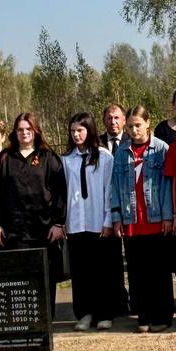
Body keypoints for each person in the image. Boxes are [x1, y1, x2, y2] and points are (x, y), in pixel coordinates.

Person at [0, 113, 67, 312]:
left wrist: (59, 223)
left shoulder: (48, 158)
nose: (24, 133)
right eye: (20, 129)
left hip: (44, 229)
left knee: (45, 275)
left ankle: (46, 318)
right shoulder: (4, 159)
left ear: (35, 131)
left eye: (28, 129)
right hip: (14, 230)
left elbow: (60, 193)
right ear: (15, 133)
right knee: (19, 277)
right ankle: (23, 319)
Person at [109, 105, 175, 333]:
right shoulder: (121, 152)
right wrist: (117, 216)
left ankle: (163, 316)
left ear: (148, 123)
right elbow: (115, 186)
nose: (134, 130)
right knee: (138, 272)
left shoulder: (161, 149)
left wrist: (168, 215)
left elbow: (168, 185)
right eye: (130, 126)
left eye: (138, 125)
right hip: (132, 221)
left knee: (158, 271)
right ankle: (144, 316)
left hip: (156, 219)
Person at [62, 112, 118, 331]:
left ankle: (106, 313)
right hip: (76, 223)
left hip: (98, 222)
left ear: (90, 130)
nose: (76, 135)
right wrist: (64, 221)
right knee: (81, 271)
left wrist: (107, 220)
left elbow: (108, 190)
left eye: (81, 130)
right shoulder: (66, 160)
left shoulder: (104, 157)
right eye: (73, 131)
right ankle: (85, 313)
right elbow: (64, 192)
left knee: (102, 270)